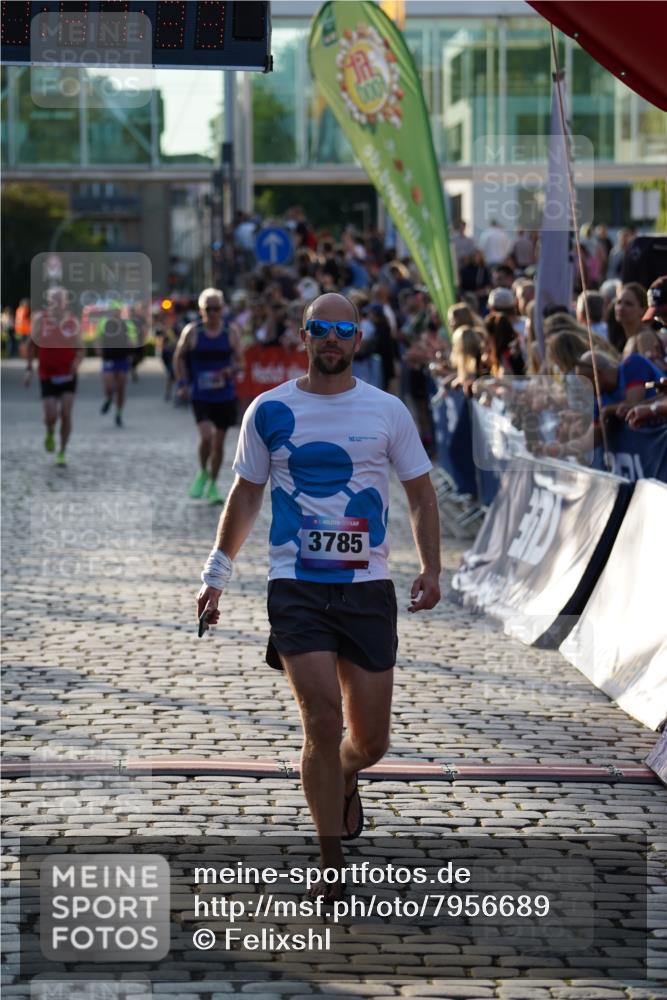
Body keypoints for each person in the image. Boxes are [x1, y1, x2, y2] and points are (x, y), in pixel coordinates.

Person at [196, 292, 441, 898]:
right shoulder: (268, 410)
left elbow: (420, 493)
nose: (331, 338)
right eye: (319, 328)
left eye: (343, 329)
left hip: (367, 590)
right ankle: (331, 865)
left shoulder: (387, 411)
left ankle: (345, 776)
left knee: (371, 741)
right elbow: (247, 495)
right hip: (296, 587)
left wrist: (432, 568)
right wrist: (216, 573)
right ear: (302, 336)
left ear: (359, 339)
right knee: (322, 724)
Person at [173, 288, 243, 505]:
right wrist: (183, 383)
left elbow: (241, 362)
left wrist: (230, 370)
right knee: (206, 437)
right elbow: (178, 357)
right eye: (208, 309)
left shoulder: (230, 332)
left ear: (222, 309)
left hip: (224, 394)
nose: (212, 313)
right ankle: (202, 471)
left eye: (216, 309)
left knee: (219, 443)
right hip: (200, 394)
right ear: (201, 310)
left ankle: (213, 483)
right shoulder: (193, 332)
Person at [24, 287, 84, 466]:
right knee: (51, 416)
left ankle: (62, 451)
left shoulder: (72, 322)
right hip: (47, 374)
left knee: (66, 413)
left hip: (67, 375)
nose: (57, 304)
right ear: (49, 302)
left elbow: (80, 349)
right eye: (54, 300)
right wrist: (29, 369)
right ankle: (50, 431)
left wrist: (77, 363)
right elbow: (30, 345)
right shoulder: (40, 319)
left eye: (61, 300)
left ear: (66, 302)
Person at [98, 301, 135, 427]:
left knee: (121, 388)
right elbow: (98, 337)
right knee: (109, 385)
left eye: (117, 311)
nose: (115, 314)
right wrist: (98, 349)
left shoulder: (126, 324)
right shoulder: (104, 323)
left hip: (122, 358)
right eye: (113, 311)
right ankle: (108, 399)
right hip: (108, 358)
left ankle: (119, 413)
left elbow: (132, 337)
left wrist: (131, 345)